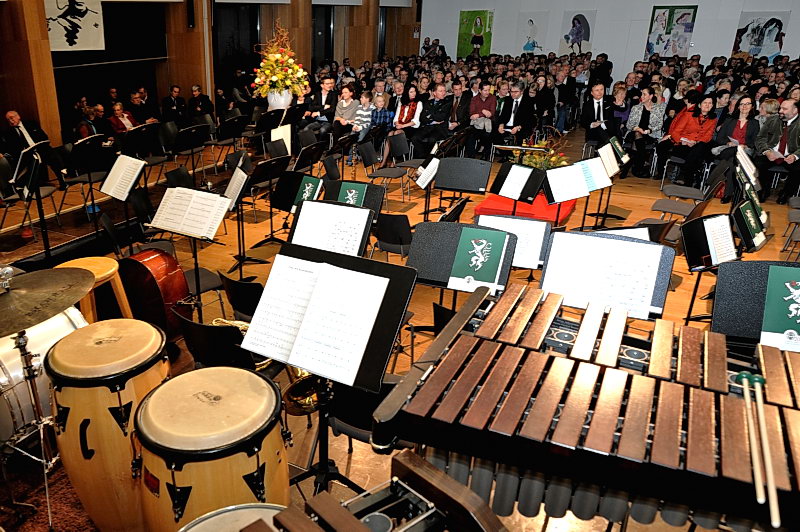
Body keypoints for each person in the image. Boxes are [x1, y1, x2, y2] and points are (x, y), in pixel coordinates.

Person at [656, 94, 717, 187]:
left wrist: (695, 142)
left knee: (701, 148)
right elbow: (676, 132)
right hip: (683, 143)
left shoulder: (713, 119)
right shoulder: (689, 115)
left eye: (710, 103)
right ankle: (690, 180)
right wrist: (683, 141)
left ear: (713, 105)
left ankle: (689, 179)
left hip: (698, 144)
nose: (707, 105)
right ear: (699, 105)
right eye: (705, 103)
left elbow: (708, 135)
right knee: (696, 154)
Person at [754, 98, 800, 203]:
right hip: (771, 152)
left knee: (798, 168)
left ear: (795, 110)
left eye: (785, 109)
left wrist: (795, 156)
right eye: (780, 108)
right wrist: (766, 151)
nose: (780, 111)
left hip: (791, 155)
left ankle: (786, 193)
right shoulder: (773, 120)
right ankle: (763, 190)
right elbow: (760, 138)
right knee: (758, 163)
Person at [625, 86, 666, 177]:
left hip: (650, 134)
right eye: (641, 94)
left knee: (636, 145)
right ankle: (640, 165)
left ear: (651, 96)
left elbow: (659, 125)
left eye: (644, 94)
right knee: (637, 135)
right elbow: (628, 125)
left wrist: (649, 130)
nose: (642, 96)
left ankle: (629, 166)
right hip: (634, 132)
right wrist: (637, 128)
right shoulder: (636, 107)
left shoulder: (658, 108)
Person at [413, 83, 452, 156]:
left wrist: (429, 115)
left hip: (439, 129)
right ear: (434, 93)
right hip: (427, 127)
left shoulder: (447, 103)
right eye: (440, 91)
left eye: (444, 91)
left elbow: (440, 117)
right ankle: (422, 158)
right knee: (415, 138)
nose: (443, 93)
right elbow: (422, 118)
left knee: (432, 140)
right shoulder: (428, 103)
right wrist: (432, 120)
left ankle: (429, 158)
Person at [581, 82, 619, 146]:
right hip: (594, 132)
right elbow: (583, 121)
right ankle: (609, 145)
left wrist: (621, 104)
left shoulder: (610, 100)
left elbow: (621, 108)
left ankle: (604, 147)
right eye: (597, 90)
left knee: (610, 135)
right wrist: (592, 124)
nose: (600, 92)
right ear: (591, 92)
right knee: (600, 131)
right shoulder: (587, 105)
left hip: (609, 130)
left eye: (602, 89)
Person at [466, 81, 496, 158]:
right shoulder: (474, 99)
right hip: (476, 124)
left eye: (489, 90)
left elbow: (491, 113)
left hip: (489, 124)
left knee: (488, 136)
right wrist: (484, 112)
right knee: (470, 136)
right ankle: (471, 158)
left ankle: (486, 158)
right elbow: (472, 114)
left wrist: (479, 114)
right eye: (485, 90)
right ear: (479, 90)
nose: (487, 92)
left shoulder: (492, 98)